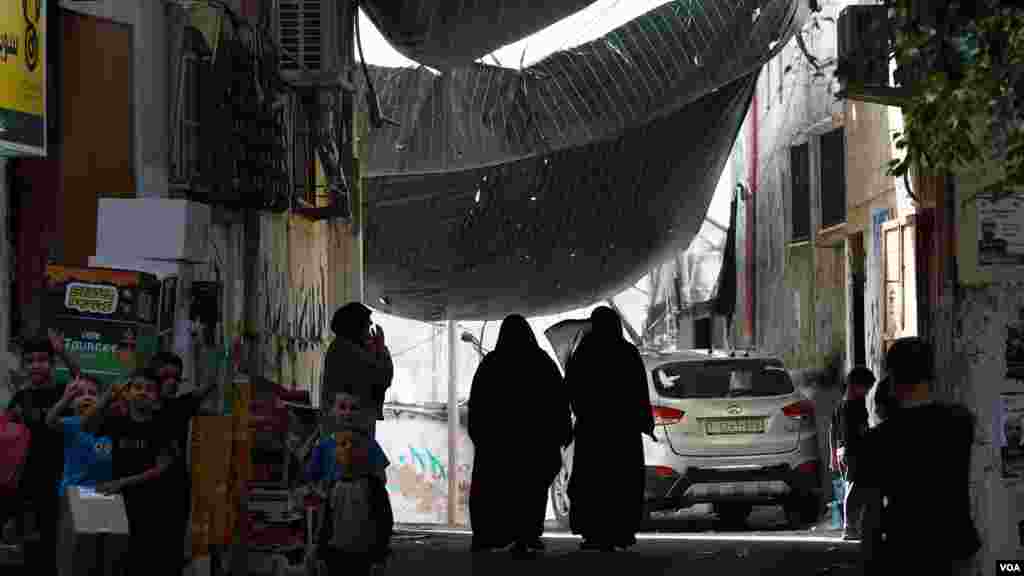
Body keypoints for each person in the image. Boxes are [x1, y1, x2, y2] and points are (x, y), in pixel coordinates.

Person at [858, 337, 980, 575]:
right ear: (931, 374)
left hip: (904, 551)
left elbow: (871, 514)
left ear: (892, 379)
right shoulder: (960, 422)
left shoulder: (880, 439)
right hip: (954, 546)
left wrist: (868, 564)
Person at [468, 314, 572, 553]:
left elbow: (478, 404)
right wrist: (562, 433)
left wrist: (482, 438)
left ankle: (489, 536)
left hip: (497, 447)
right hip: (534, 446)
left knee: (494, 491)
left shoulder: (492, 364)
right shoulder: (542, 363)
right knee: (530, 492)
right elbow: (558, 401)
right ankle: (527, 535)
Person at [565, 307, 655, 551]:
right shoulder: (627, 352)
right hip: (623, 433)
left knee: (593, 482)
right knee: (621, 483)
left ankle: (594, 533)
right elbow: (639, 391)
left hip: (593, 432)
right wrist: (646, 422)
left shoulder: (584, 351)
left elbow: (572, 389)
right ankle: (620, 532)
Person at [83, 370, 179, 576]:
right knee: (111, 563)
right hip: (114, 506)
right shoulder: (115, 422)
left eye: (150, 389)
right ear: (128, 392)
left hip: (151, 509)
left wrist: (120, 483)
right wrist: (108, 395)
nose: (143, 392)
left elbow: (161, 469)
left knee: (142, 563)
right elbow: (86, 425)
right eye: (137, 387)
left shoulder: (163, 426)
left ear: (157, 396)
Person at [4, 332, 81, 576]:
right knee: (29, 539)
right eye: (30, 360)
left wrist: (63, 352)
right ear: (24, 365)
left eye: (42, 359)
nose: (36, 365)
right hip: (26, 477)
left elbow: (81, 378)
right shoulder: (20, 397)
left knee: (55, 538)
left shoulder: (63, 391)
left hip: (59, 474)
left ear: (52, 363)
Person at [306, 392, 393, 575]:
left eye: (353, 408)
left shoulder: (370, 446)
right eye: (342, 407)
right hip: (334, 523)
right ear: (333, 411)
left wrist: (380, 555)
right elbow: (311, 481)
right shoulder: (323, 446)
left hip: (363, 533)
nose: (348, 413)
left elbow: (383, 512)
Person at [151, 351, 218, 573]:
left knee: (171, 552)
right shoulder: (136, 406)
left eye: (175, 377)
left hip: (174, 490)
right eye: (165, 376)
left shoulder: (180, 406)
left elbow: (209, 383)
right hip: (141, 490)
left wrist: (206, 348)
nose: (171, 382)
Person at [322, 303, 394, 438]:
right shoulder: (347, 350)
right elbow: (384, 376)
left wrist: (374, 350)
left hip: (348, 429)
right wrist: (381, 349)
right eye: (367, 324)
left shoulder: (343, 347)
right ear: (356, 326)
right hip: (348, 432)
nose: (370, 328)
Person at [45, 374, 113, 498]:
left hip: (103, 492)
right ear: (71, 403)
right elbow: (50, 420)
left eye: (92, 393)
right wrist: (66, 398)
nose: (86, 397)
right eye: (79, 394)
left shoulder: (110, 424)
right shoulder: (72, 423)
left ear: (101, 399)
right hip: (74, 491)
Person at [828, 366, 874, 540]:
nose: (868, 392)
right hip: (853, 452)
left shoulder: (841, 404)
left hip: (844, 452)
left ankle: (853, 526)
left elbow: (832, 430)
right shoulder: (854, 404)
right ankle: (849, 527)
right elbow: (861, 430)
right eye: (867, 388)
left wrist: (834, 455)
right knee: (854, 488)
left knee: (852, 487)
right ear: (856, 385)